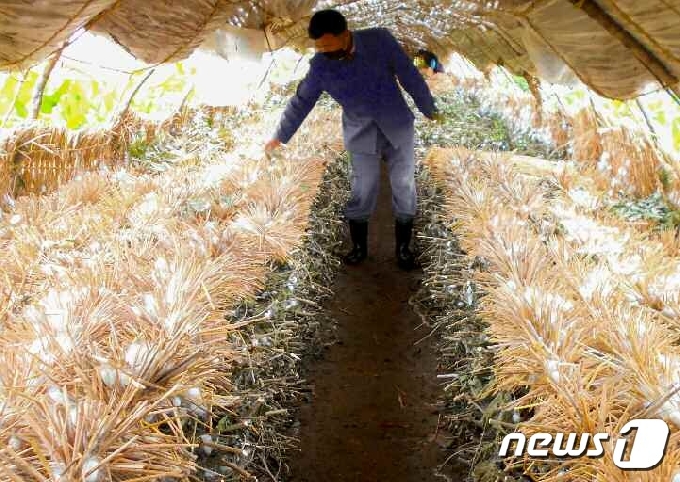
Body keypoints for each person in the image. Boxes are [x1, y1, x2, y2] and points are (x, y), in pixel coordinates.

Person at [265, 9, 441, 270]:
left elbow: (409, 74)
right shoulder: (321, 65)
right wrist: (279, 137)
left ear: (345, 34)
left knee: (403, 183)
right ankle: (359, 246)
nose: (325, 52)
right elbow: (302, 100)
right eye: (320, 48)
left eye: (330, 46)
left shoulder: (380, 40)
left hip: (396, 124)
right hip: (360, 132)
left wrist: (429, 108)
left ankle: (403, 247)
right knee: (364, 187)